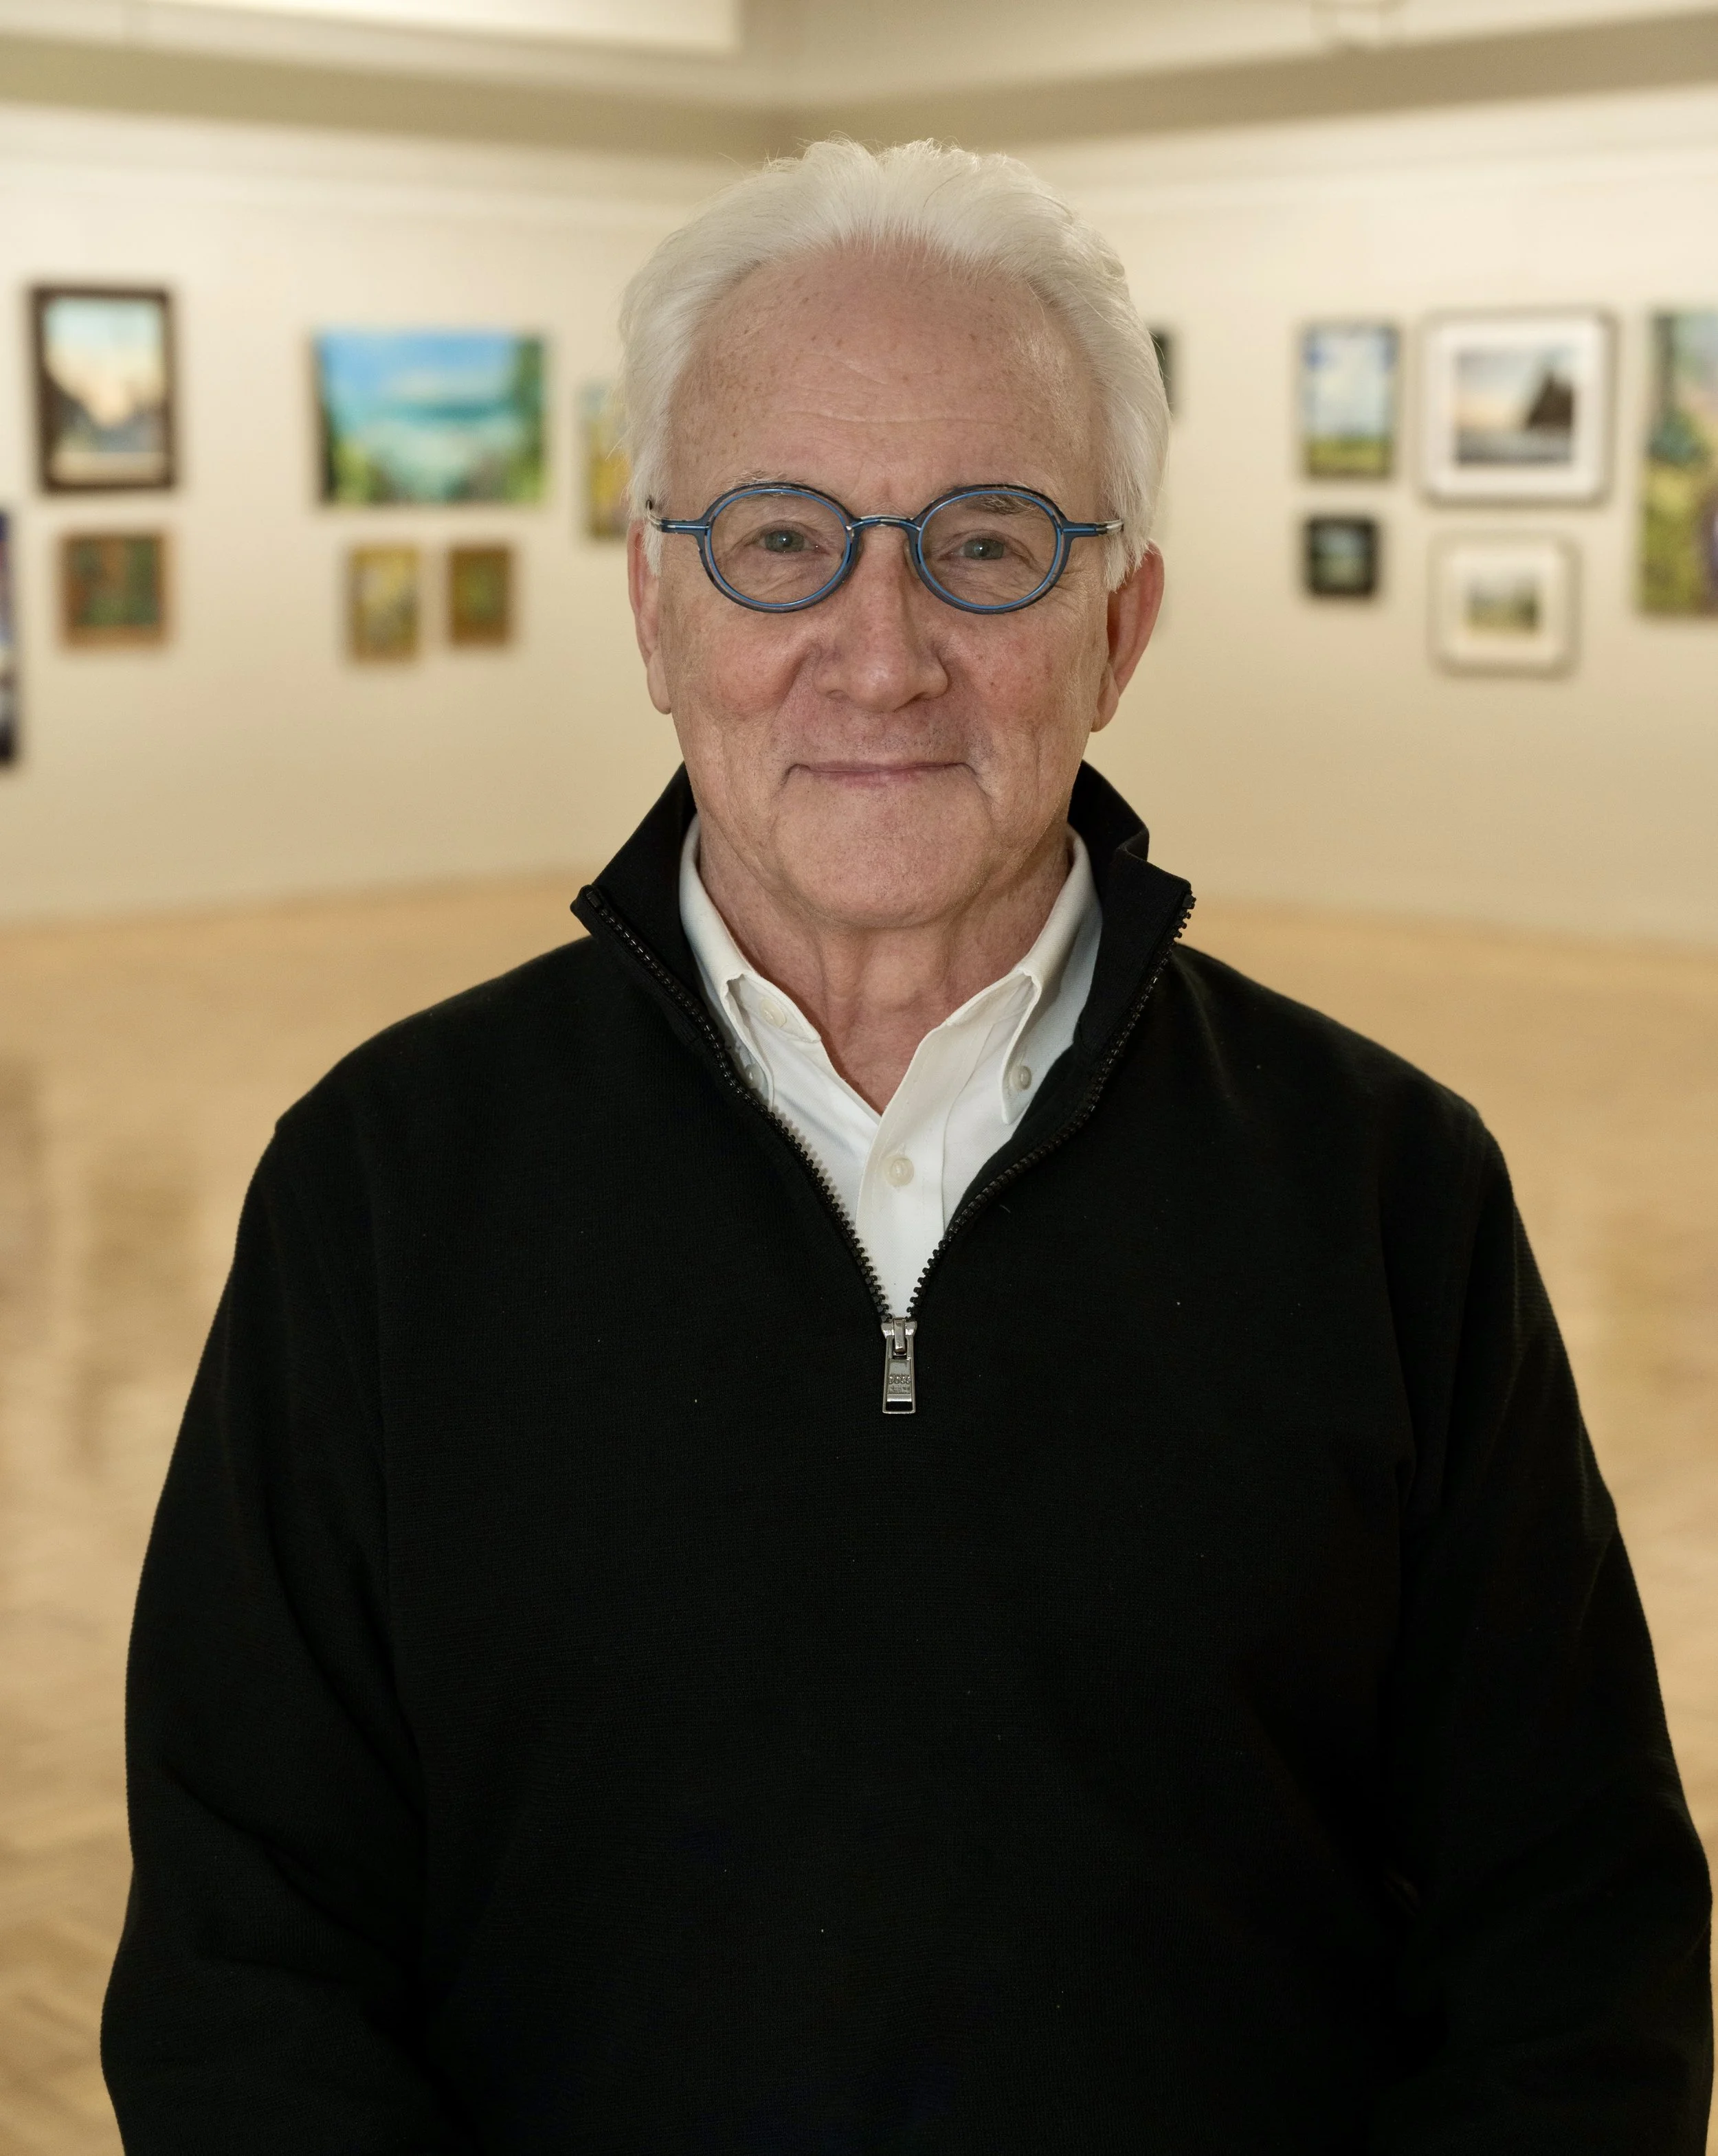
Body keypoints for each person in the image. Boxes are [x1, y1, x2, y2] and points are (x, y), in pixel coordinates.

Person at [103, 139, 1710, 2153]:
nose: (880, 651)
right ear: (652, 603)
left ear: (1119, 625)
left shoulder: (1385, 1192)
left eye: (987, 542)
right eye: (782, 539)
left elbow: (1575, 1950)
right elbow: (247, 1960)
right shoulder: (381, 1185)